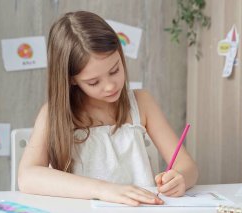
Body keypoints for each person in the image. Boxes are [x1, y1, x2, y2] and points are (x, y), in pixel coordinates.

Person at [18, 11, 198, 206]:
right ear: (71, 80)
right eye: (94, 82)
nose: (111, 86)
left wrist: (180, 178)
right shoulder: (53, 114)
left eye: (115, 70)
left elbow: (188, 166)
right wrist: (103, 189)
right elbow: (27, 177)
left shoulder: (142, 102)